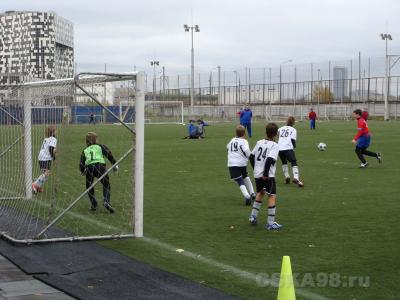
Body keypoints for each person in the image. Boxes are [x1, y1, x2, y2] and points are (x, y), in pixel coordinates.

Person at [248, 123, 283, 230]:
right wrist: (265, 174)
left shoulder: (259, 142)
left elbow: (251, 156)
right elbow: (269, 160)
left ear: (266, 132)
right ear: (276, 134)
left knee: (261, 193)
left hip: (257, 174)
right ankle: (270, 223)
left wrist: (256, 169)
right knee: (272, 196)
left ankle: (253, 216)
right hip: (268, 176)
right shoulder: (275, 145)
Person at [79, 132, 118, 213]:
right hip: (100, 167)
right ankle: (106, 201)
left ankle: (94, 204)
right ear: (95, 140)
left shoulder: (85, 151)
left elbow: (81, 164)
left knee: (89, 186)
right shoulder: (100, 146)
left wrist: (82, 171)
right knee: (106, 184)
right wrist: (114, 164)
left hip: (89, 168)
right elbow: (108, 154)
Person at [227, 125, 256, 205]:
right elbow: (247, 152)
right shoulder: (244, 141)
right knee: (245, 176)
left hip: (232, 163)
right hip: (242, 163)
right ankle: (253, 194)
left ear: (236, 133)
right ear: (244, 133)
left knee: (239, 180)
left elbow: (227, 148)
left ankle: (247, 196)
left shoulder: (232, 140)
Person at [278, 116, 304, 187]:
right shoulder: (293, 129)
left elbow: (278, 136)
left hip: (280, 148)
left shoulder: (280, 128)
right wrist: (294, 146)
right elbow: (292, 140)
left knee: (284, 162)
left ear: (286, 121)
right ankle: (296, 177)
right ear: (293, 122)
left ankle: (287, 176)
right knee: (293, 162)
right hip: (288, 148)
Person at [32, 126, 57, 194]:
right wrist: (54, 157)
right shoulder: (53, 139)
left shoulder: (46, 138)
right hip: (45, 158)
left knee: (46, 174)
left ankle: (37, 186)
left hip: (43, 157)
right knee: (46, 173)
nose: (56, 132)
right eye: (55, 130)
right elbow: (51, 149)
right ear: (53, 132)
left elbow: (50, 148)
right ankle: (34, 185)